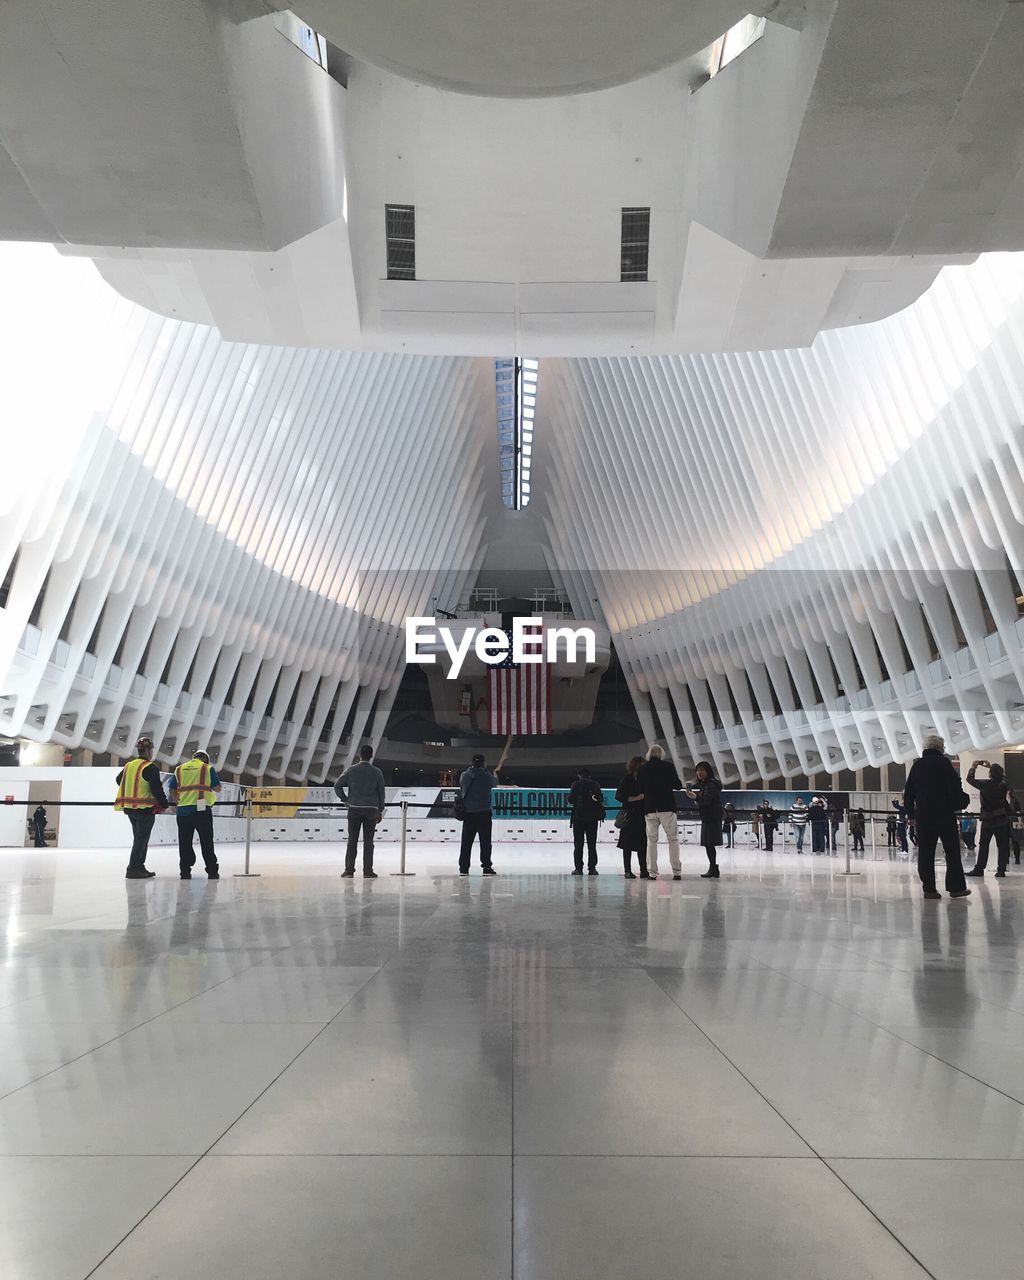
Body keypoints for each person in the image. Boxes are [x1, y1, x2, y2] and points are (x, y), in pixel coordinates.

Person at [903, 735, 971, 900]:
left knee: (925, 852)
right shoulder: (944, 764)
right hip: (944, 814)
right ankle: (956, 888)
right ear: (941, 748)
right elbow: (954, 788)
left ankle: (929, 890)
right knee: (952, 851)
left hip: (923, 816)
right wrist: (964, 800)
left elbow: (909, 792)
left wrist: (911, 815)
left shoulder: (917, 765)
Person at [114, 736, 169, 879]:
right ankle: (133, 869)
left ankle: (139, 866)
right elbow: (157, 789)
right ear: (149, 751)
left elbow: (118, 780)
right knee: (141, 839)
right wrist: (164, 804)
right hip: (144, 809)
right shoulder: (150, 767)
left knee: (139, 838)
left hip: (130, 809)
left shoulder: (129, 765)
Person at [168, 750, 221, 880]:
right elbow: (217, 788)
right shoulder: (207, 768)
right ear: (206, 760)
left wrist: (177, 801)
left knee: (184, 842)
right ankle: (212, 871)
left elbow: (172, 788)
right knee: (206, 841)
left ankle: (185, 871)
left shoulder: (179, 769)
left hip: (182, 811)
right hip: (201, 809)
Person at [335, 744, 386, 878]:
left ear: (360, 755)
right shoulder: (377, 772)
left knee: (352, 840)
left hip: (354, 809)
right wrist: (380, 811)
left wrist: (345, 800)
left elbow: (337, 785)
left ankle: (349, 870)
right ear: (371, 756)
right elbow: (381, 793)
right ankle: (368, 871)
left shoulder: (351, 770)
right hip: (371, 810)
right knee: (369, 841)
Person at [636, 744, 682, 880]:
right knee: (673, 839)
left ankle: (652, 872)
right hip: (667, 807)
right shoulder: (668, 767)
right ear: (661, 754)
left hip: (650, 808)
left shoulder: (642, 769)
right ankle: (677, 871)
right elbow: (678, 785)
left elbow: (639, 789)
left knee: (651, 841)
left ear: (649, 754)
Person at [966, 760, 1011, 878]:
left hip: (988, 820)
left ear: (990, 774)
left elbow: (970, 779)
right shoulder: (1003, 785)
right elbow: (1004, 779)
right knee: (1001, 846)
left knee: (984, 845)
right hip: (1001, 819)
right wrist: (992, 767)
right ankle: (1001, 870)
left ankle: (979, 869)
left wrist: (973, 767)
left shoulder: (985, 784)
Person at [459, 753, 498, 876]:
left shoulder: (464, 775)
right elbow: (494, 783)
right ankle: (486, 866)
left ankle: (464, 868)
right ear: (483, 763)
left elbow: (462, 786)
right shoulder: (487, 776)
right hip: (483, 814)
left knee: (466, 842)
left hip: (469, 814)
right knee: (485, 842)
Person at [687, 760, 723, 878]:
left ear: (707, 771)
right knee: (709, 844)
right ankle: (713, 868)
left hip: (711, 817)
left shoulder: (710, 784)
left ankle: (713, 868)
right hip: (709, 816)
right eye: (697, 771)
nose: (699, 773)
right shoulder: (706, 784)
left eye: (702, 770)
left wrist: (696, 796)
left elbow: (707, 800)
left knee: (709, 843)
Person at [615, 756, 648, 878]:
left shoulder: (646, 779)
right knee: (627, 844)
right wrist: (636, 798)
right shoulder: (627, 779)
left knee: (643, 844)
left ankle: (644, 869)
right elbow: (619, 796)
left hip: (643, 816)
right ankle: (627, 870)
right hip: (629, 816)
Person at [568, 767, 605, 875]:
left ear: (579, 775)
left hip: (578, 818)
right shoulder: (595, 785)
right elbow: (600, 800)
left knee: (578, 845)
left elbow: (570, 799)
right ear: (590, 776)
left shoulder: (576, 784)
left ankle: (578, 869)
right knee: (592, 844)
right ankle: (592, 868)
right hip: (592, 818)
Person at [1008, 788, 1022, 866]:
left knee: (1015, 841)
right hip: (1005, 823)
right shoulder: (1002, 800)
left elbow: (1018, 812)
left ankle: (1017, 859)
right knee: (1004, 842)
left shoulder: (1014, 800)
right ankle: (1006, 859)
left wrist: (1020, 822)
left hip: (1013, 822)